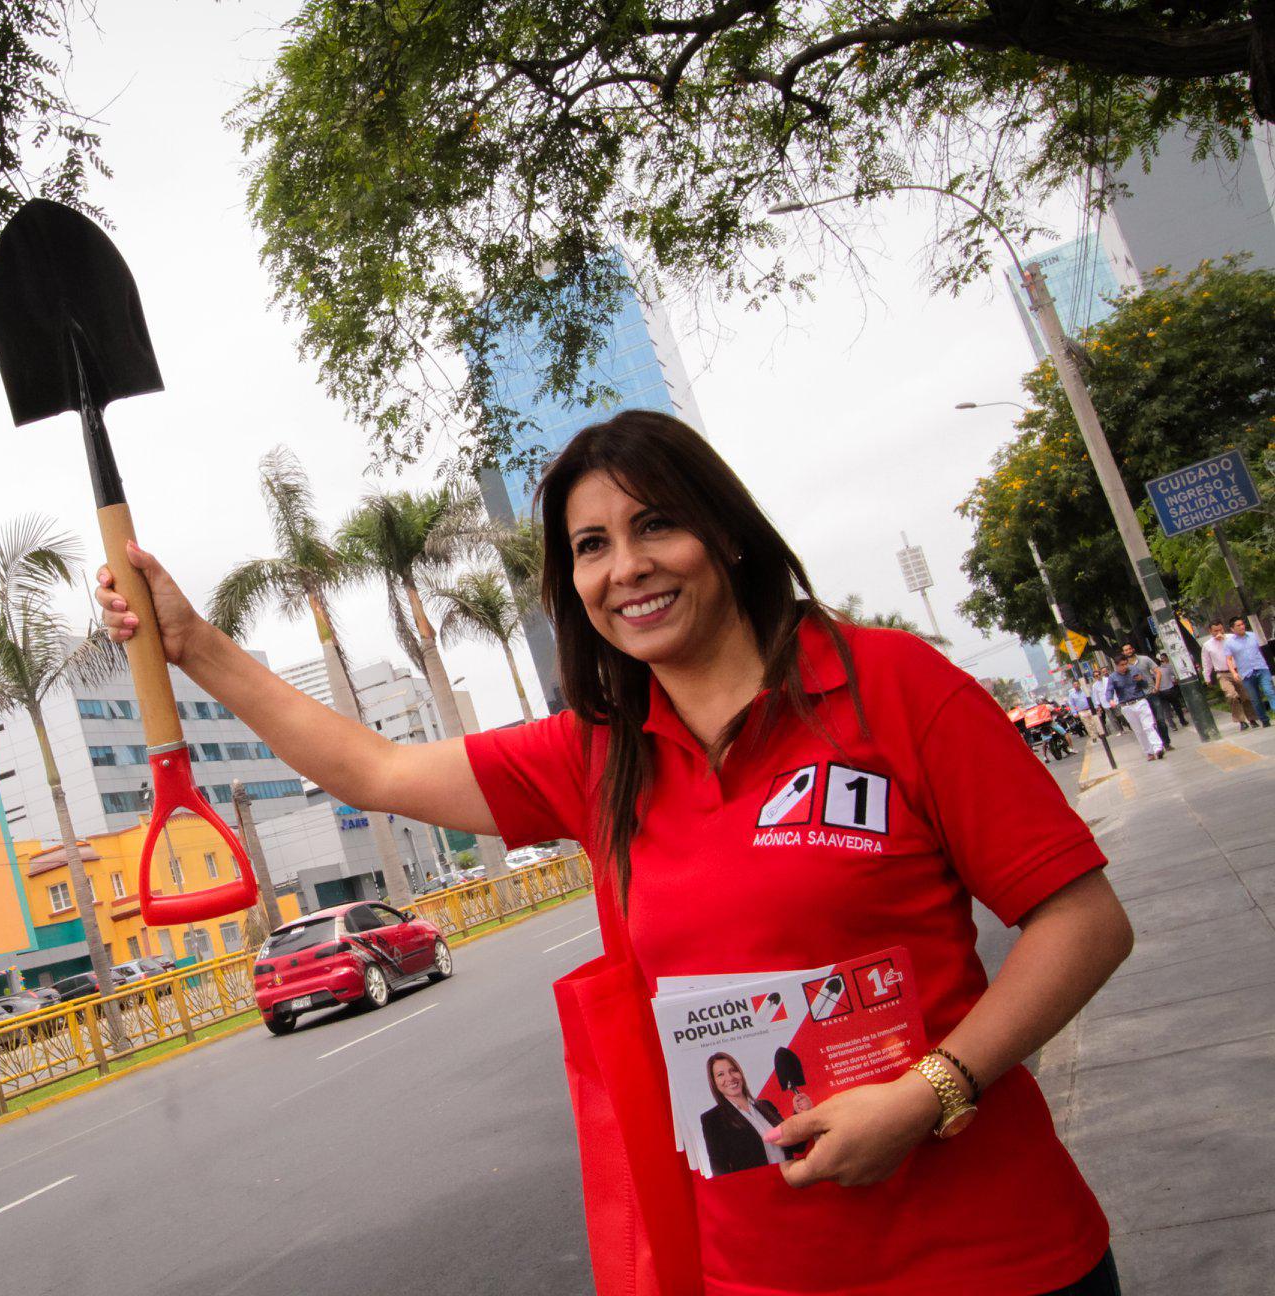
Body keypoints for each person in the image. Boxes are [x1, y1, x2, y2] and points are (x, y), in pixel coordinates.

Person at [96, 410, 1131, 1296]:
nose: (625, 567)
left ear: (725, 534)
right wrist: (194, 645)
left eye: (655, 525)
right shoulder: (598, 755)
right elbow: (378, 773)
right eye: (590, 546)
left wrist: (929, 1094)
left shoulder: (893, 686)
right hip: (758, 1271)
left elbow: (1083, 922)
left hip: (995, 1257)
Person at [699, 1052, 811, 1175]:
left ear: (740, 1073)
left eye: (733, 1070)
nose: (730, 1078)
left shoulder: (766, 1106)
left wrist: (800, 1114)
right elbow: (719, 1169)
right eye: (721, 1074)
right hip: (757, 1188)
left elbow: (797, 1146)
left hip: (790, 1179)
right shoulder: (712, 1119)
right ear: (714, 1082)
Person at [1202, 620, 1267, 730]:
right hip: (1222, 674)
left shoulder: (1232, 638)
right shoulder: (1207, 645)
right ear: (1210, 631)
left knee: (1246, 696)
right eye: (1215, 630)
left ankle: (1252, 718)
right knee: (1231, 695)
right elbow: (1206, 662)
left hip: (1239, 670)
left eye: (1221, 629)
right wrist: (1207, 677)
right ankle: (1241, 721)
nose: (1219, 632)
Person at [1119, 643, 1176, 750]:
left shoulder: (1145, 659)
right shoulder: (1124, 666)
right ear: (1123, 653)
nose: (1128, 651)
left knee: (1160, 720)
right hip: (1138, 698)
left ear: (1133, 649)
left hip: (1151, 693)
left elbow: (1158, 672)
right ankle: (1156, 745)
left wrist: (1157, 686)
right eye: (1126, 650)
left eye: (1130, 649)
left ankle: (1166, 743)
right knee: (1148, 724)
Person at [1109, 656, 1165, 760]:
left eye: (1126, 664)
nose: (1125, 667)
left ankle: (1158, 748)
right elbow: (1109, 690)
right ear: (1116, 666)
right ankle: (1149, 752)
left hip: (1140, 701)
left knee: (1148, 726)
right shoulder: (1112, 677)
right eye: (1122, 665)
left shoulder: (1134, 670)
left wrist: (1141, 680)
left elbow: (1145, 685)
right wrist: (1110, 700)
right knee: (1139, 730)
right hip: (1126, 706)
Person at [1226, 616, 1275, 722]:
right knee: (1255, 699)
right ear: (1232, 629)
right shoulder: (1229, 643)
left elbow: (1263, 650)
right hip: (1246, 674)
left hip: (1261, 668)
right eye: (1238, 625)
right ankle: (1264, 719)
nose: (1241, 626)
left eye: (1242, 624)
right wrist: (1234, 673)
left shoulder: (1253, 636)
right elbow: (1229, 660)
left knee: (1269, 691)